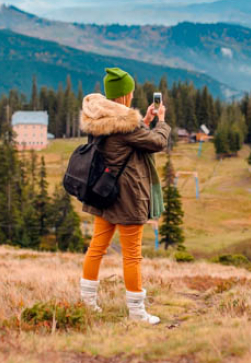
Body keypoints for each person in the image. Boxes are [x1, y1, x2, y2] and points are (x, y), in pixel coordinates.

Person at [78, 67, 170, 324]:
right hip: (127, 198)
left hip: (103, 194)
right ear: (124, 96)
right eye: (129, 92)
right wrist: (161, 121)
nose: (131, 95)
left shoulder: (99, 117)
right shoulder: (126, 125)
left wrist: (146, 121)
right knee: (132, 255)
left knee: (96, 248)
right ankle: (137, 313)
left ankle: (88, 303)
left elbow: (132, 136)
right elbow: (156, 143)